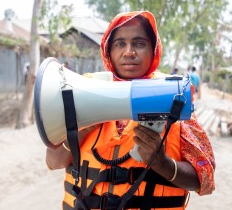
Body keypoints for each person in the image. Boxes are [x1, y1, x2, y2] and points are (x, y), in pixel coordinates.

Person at [45, 11, 215, 209]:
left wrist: (162, 163)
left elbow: (205, 180)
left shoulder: (173, 96)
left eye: (139, 43)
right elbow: (53, 162)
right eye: (120, 44)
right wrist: (80, 129)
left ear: (154, 50)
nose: (129, 52)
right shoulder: (82, 90)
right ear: (108, 51)